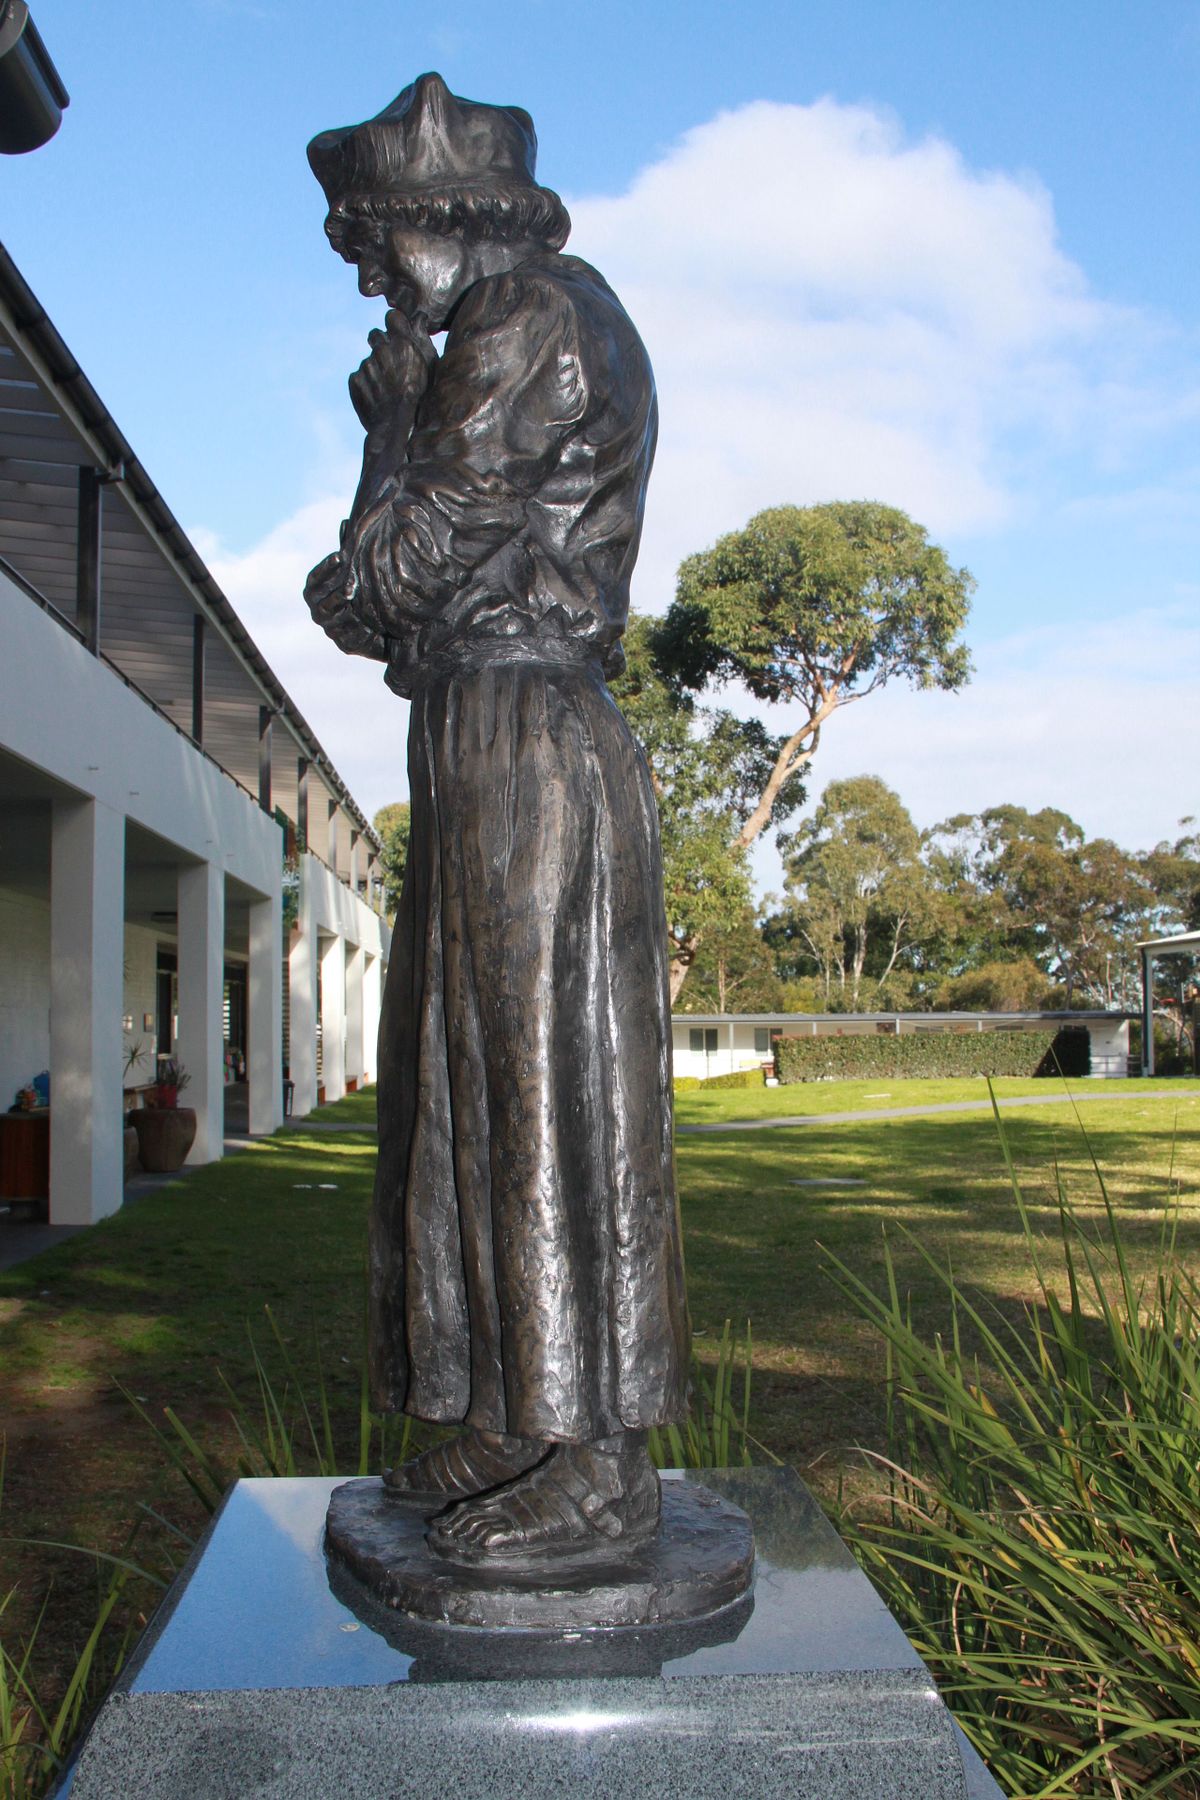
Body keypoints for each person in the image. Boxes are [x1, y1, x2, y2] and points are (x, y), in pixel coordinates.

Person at [305, 74, 688, 1563]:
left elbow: (389, 577)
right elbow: (385, 617)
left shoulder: (525, 316)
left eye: (371, 245)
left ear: (444, 218)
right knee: (461, 1084)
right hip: (477, 723)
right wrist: (389, 482)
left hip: (529, 725)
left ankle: (594, 1462)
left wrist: (392, 437)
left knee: (541, 1084)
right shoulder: (499, 326)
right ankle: (512, 1409)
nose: (367, 279)